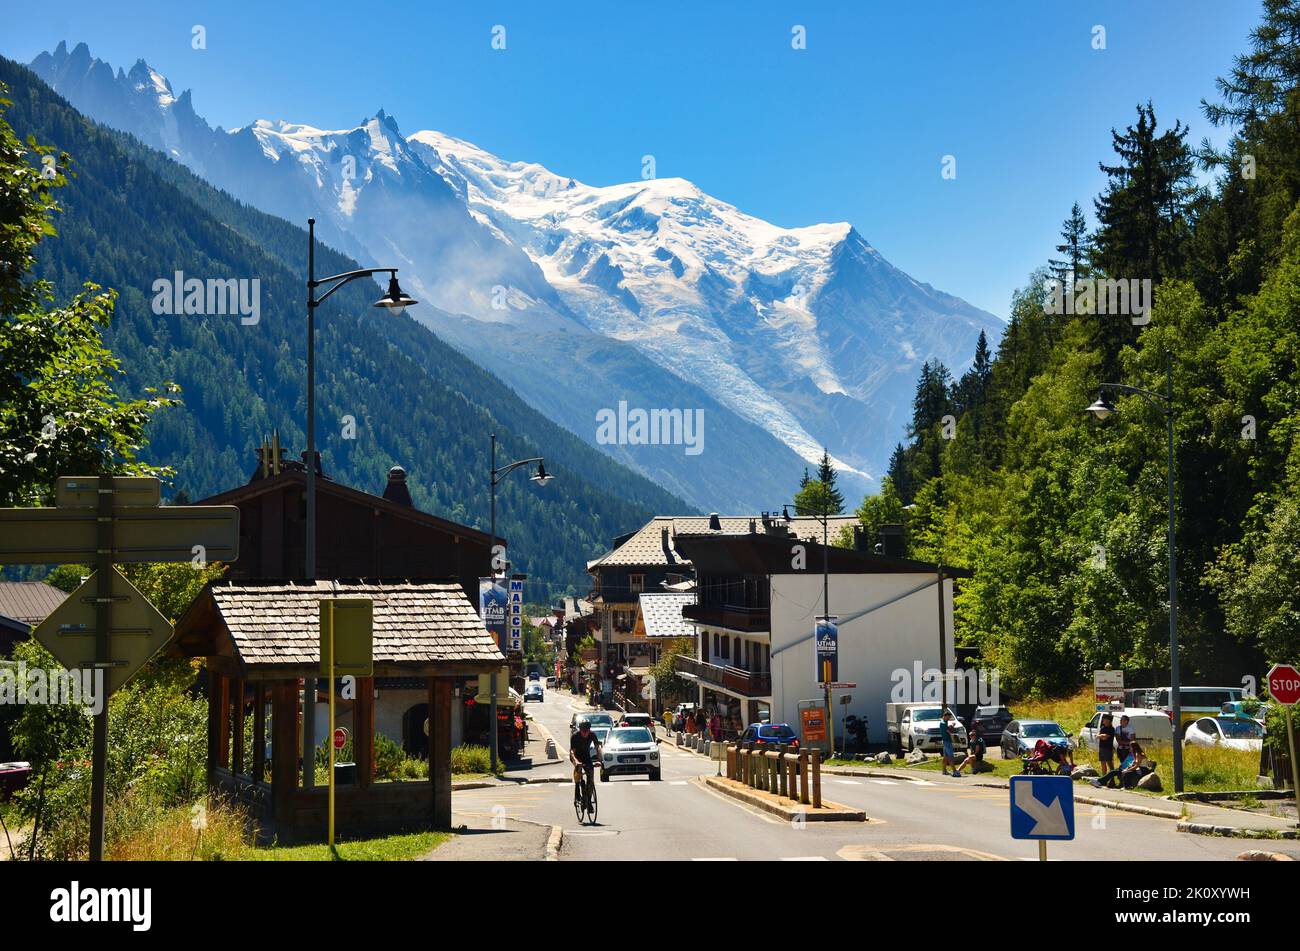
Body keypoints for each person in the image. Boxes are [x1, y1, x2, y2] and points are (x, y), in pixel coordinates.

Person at [569, 719, 603, 808]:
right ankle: (577, 787)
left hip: (586, 756)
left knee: (591, 779)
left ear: (589, 730)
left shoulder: (592, 735)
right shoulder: (575, 736)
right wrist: (576, 762)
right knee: (578, 769)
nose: (585, 733)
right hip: (576, 756)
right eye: (583, 731)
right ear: (580, 730)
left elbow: (598, 748)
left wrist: (599, 759)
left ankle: (588, 801)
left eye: (587, 731)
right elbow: (572, 752)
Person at [940, 710, 958, 776]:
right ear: (945, 716)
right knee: (950, 757)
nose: (949, 718)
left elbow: (947, 729)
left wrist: (950, 726)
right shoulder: (943, 723)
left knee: (945, 757)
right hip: (947, 742)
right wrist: (952, 726)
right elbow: (949, 731)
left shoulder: (944, 722)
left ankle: (944, 771)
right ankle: (955, 771)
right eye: (948, 717)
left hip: (945, 741)